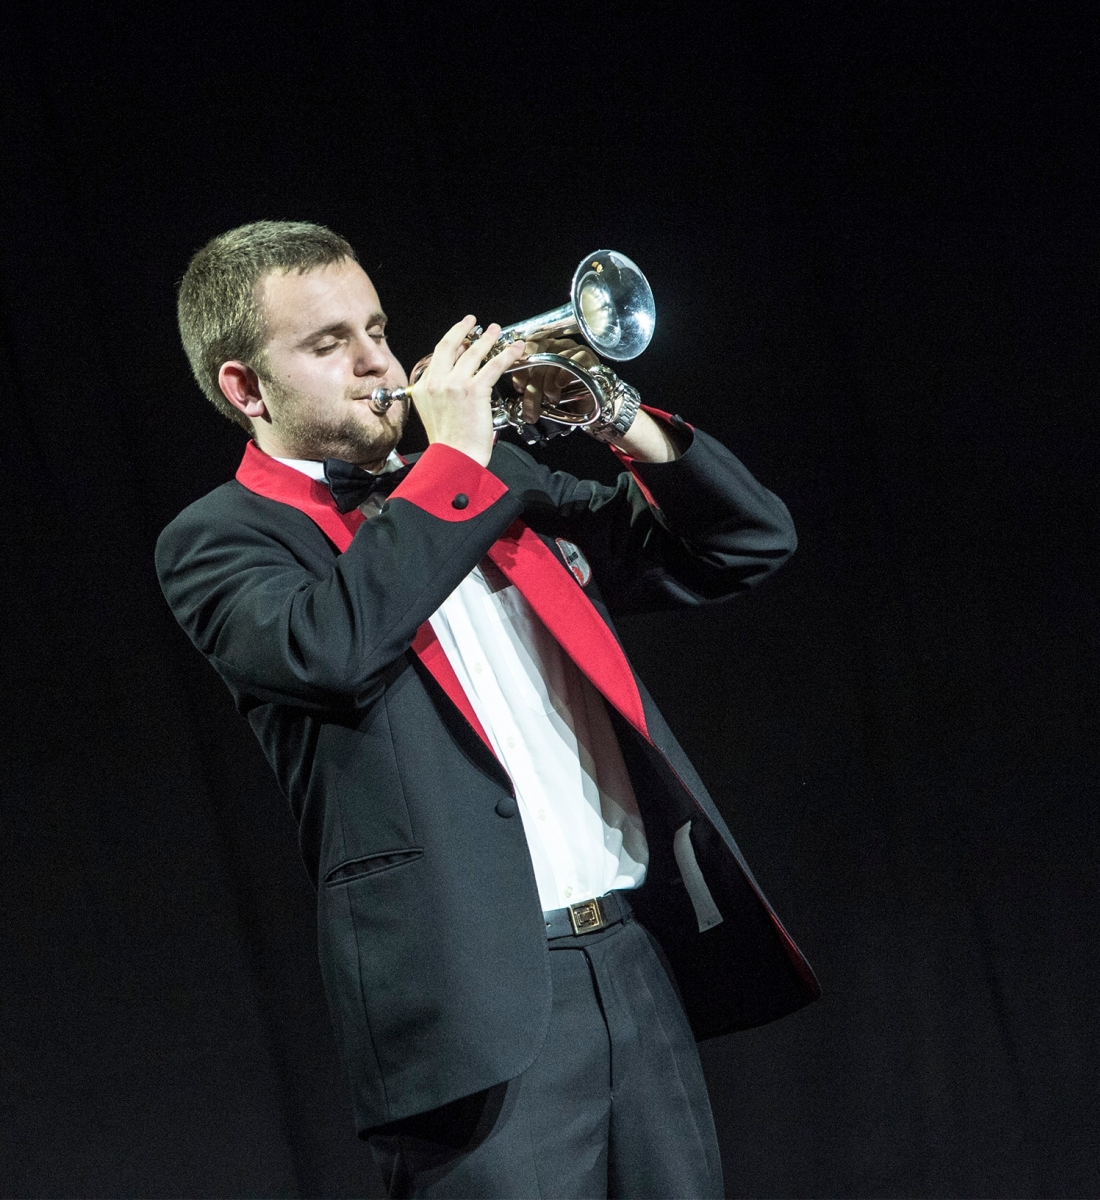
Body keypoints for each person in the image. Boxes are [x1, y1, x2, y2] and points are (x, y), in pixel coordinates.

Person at [155, 221, 818, 1198]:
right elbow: (328, 648)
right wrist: (453, 463)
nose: (375, 359)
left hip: (630, 968)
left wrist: (612, 413)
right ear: (244, 389)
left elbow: (743, 544)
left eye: (374, 328)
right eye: (328, 343)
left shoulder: (493, 483)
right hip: (471, 1023)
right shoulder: (218, 541)